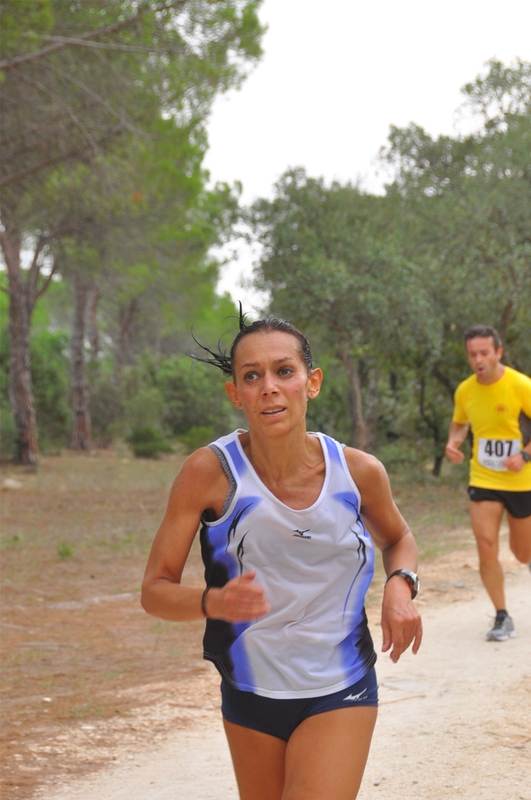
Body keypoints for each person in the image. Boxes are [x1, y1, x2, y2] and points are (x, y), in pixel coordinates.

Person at [141, 312, 422, 800]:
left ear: (311, 383)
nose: (269, 387)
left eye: (283, 371)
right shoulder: (209, 473)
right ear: (236, 394)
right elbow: (154, 590)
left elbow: (399, 538)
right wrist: (214, 603)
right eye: (252, 376)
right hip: (249, 690)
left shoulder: (358, 473)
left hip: (342, 684)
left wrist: (401, 585)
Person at [445, 324, 531, 642]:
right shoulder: (465, 390)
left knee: (522, 553)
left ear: (498, 352)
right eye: (472, 354)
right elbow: (459, 422)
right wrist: (453, 442)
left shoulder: (521, 385)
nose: (478, 359)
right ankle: (502, 616)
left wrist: (524, 455)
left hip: (522, 479)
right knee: (485, 545)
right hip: (483, 477)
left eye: (484, 352)